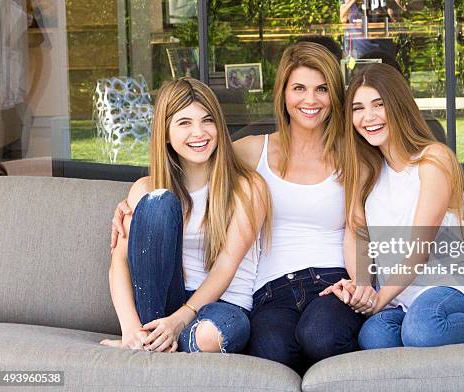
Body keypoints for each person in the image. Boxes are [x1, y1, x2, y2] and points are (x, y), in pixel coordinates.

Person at [111, 43, 371, 372]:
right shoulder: (251, 151)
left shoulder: (352, 158)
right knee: (270, 351)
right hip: (272, 288)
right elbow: (198, 158)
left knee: (319, 335)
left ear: (334, 95)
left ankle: (162, 346)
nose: (310, 100)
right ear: (283, 94)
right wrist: (135, 202)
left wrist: (363, 280)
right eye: (299, 88)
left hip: (330, 279)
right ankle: (151, 345)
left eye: (322, 89)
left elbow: (358, 227)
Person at [323, 63, 464, 349]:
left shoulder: (433, 160)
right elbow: (357, 233)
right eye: (358, 108)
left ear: (399, 106)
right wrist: (362, 285)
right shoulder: (367, 169)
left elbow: (418, 252)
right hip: (400, 301)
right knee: (374, 338)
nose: (368, 117)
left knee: (423, 330)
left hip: (449, 288)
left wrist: (377, 301)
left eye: (379, 104)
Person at [101, 77, 270, 354]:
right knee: (158, 202)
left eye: (207, 120)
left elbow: (227, 263)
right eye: (184, 123)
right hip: (165, 303)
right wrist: (130, 328)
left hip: (223, 305)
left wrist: (180, 321)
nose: (199, 132)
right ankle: (149, 338)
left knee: (210, 336)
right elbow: (119, 262)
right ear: (165, 133)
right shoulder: (145, 189)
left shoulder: (248, 187)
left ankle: (162, 342)